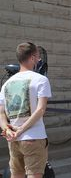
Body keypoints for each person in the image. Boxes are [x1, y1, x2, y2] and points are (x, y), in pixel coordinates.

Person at [0, 42, 51, 178]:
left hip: (13, 140)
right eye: (38, 57)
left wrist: (8, 130)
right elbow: (40, 110)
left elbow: (1, 113)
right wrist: (21, 130)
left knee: (16, 175)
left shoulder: (7, 84)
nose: (39, 60)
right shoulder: (41, 80)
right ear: (33, 58)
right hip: (33, 137)